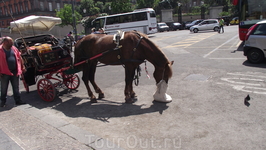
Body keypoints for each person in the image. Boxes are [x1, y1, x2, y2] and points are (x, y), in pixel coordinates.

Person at [0, 37, 26, 107]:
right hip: (4, 73)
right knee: (4, 88)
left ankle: (18, 100)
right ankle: (3, 102)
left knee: (16, 87)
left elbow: (19, 57)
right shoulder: (0, 50)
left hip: (15, 71)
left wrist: (22, 66)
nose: (12, 43)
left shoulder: (14, 48)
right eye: (10, 42)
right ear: (5, 42)